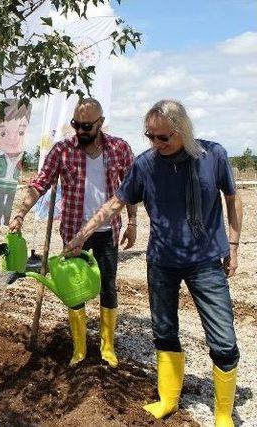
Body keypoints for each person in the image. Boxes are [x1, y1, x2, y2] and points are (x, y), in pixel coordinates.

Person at [64, 100, 242, 426]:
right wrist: (82, 234)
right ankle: (168, 400)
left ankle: (223, 414)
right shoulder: (145, 165)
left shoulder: (212, 156)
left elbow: (232, 198)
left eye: (164, 137)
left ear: (183, 131)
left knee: (223, 340)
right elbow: (117, 201)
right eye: (151, 136)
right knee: (164, 331)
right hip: (161, 262)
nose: (157, 144)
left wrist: (233, 243)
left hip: (205, 262)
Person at [9, 98, 137, 368]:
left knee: (108, 287)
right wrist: (20, 212)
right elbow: (40, 183)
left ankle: (107, 347)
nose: (79, 131)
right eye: (76, 125)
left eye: (86, 126)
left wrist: (133, 221)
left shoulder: (119, 148)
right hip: (72, 231)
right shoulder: (62, 151)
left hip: (108, 232)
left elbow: (131, 187)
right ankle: (79, 349)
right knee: (74, 288)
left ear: (100, 123)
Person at [0, 102, 31, 226]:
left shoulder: (21, 159)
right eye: (3, 133)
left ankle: (6, 219)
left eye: (20, 133)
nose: (12, 139)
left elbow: (25, 170)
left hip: (12, 186)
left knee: (9, 205)